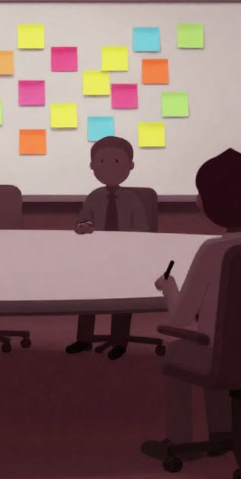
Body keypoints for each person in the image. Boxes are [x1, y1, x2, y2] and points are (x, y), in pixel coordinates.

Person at [147, 148, 241, 449]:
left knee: (181, 351)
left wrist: (168, 285)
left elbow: (181, 316)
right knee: (213, 345)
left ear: (209, 202)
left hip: (222, 355)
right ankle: (222, 432)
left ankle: (178, 441)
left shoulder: (212, 250)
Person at [67, 136, 151, 359]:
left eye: (116, 162)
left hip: (126, 257)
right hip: (96, 255)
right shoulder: (94, 197)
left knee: (122, 297)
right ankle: (84, 339)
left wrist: (124, 244)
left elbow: (143, 229)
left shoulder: (133, 199)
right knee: (88, 295)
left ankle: (120, 341)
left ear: (130, 166)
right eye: (102, 162)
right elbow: (80, 223)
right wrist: (83, 227)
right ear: (93, 166)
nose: (108, 167)